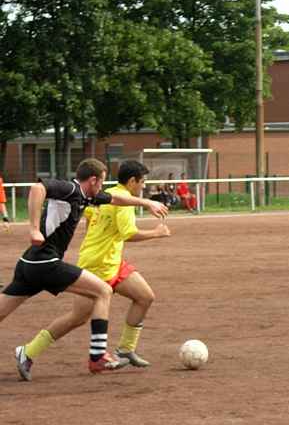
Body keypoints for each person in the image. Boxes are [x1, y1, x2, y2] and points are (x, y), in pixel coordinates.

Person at [0, 159, 168, 381]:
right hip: (45, 262)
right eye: (102, 182)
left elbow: (116, 199)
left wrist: (146, 202)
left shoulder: (87, 196)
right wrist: (33, 228)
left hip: (29, 263)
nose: (103, 187)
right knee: (103, 292)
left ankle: (27, 353)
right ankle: (97, 356)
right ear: (93, 180)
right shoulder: (70, 189)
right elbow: (37, 188)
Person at [75, 160, 170, 369]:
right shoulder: (124, 199)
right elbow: (129, 234)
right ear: (132, 181)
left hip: (112, 260)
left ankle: (126, 349)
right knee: (77, 318)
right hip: (98, 264)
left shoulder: (109, 192)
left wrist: (101, 234)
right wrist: (157, 233)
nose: (143, 186)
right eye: (142, 182)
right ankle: (29, 350)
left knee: (145, 297)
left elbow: (89, 215)